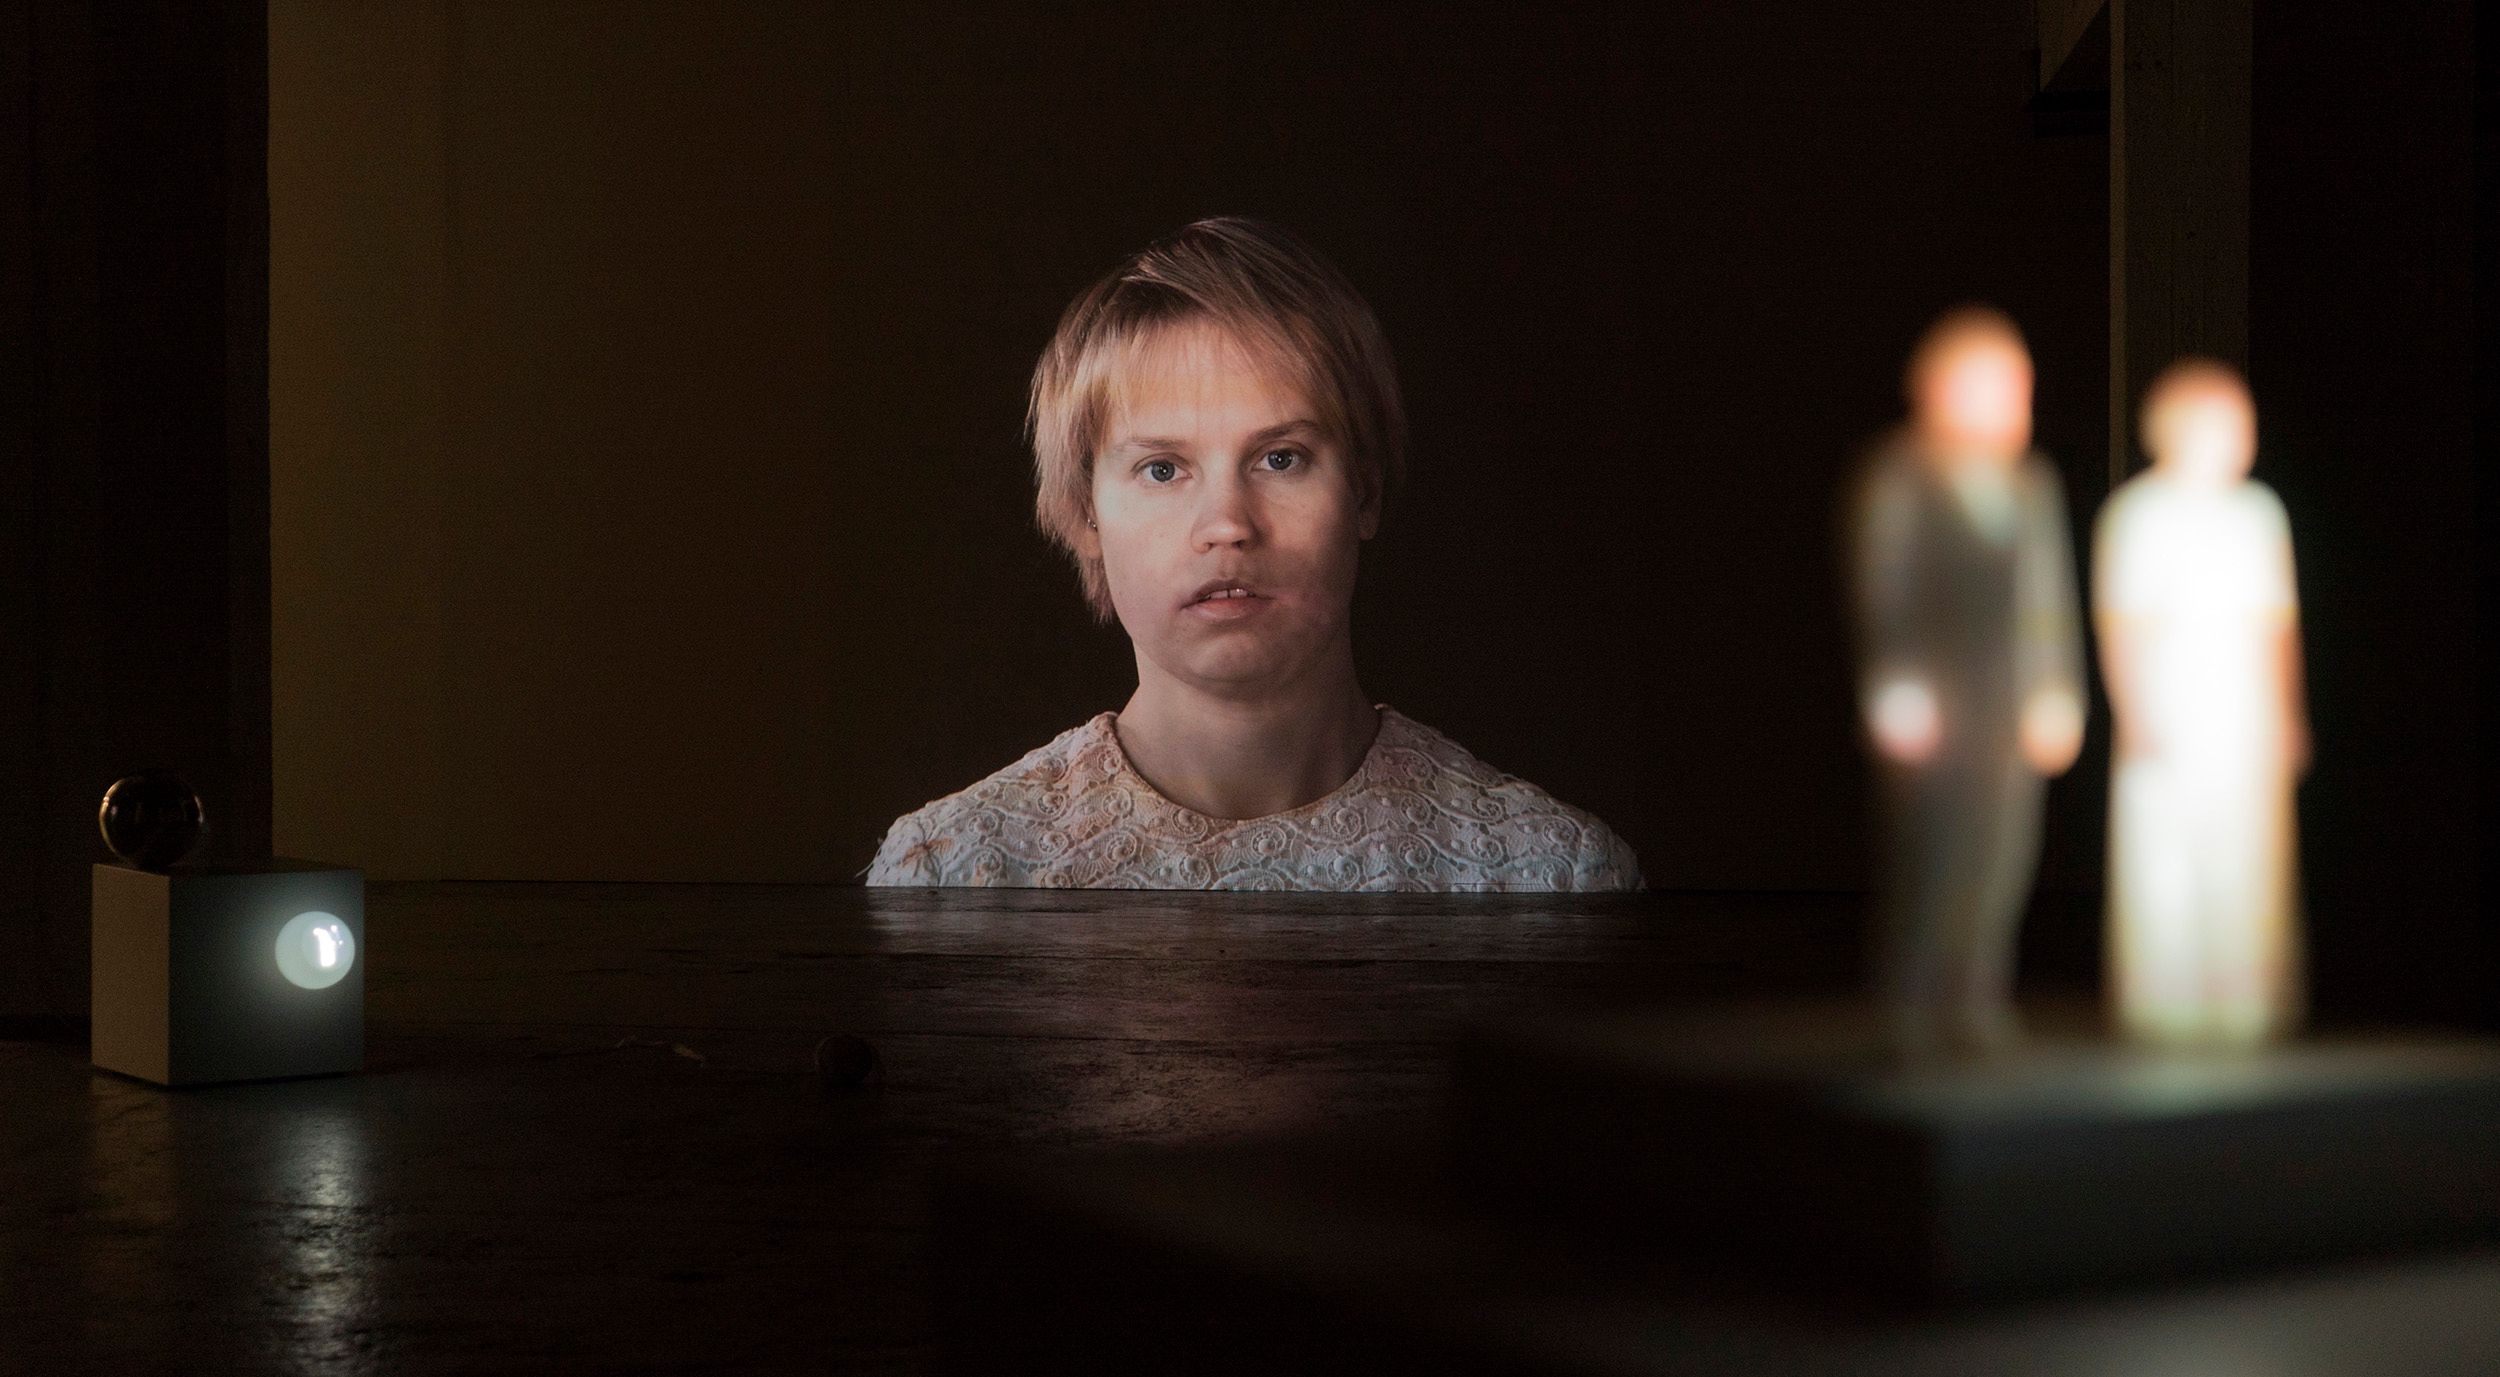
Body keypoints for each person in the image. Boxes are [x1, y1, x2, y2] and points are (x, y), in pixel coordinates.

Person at [864, 217, 1641, 891]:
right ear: (1084, 515)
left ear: (1364, 493)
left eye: (1281, 458)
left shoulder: (1553, 872)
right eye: (1162, 469)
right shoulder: (949, 871)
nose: (1227, 524)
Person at [1846, 305, 2084, 1056]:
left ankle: (1976, 997)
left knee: (2002, 855)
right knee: (1931, 856)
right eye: (1995, 385)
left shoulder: (2030, 484)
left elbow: (2048, 603)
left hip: (2006, 701)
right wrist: (1894, 692)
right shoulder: (1900, 474)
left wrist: (2057, 693)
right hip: (1935, 705)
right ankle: (1912, 1004)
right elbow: (1884, 594)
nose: (2015, 402)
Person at [2094, 358, 2307, 1046]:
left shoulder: (2257, 513)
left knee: (2247, 855)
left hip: (2242, 713)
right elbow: (2119, 624)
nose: (2243, 437)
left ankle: (2245, 999)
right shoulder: (2138, 514)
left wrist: (2289, 713)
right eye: (2227, 422)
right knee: (2164, 853)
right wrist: (2135, 712)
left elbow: (2278, 626)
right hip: (2172, 706)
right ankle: (2164, 1000)